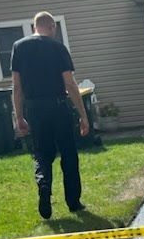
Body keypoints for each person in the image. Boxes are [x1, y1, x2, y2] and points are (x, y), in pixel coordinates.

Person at [11, 11, 90, 219]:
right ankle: (73, 202)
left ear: (33, 27)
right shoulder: (58, 48)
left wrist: (19, 116)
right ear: (52, 27)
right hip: (58, 106)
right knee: (68, 154)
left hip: (34, 108)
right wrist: (83, 115)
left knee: (41, 153)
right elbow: (70, 84)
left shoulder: (19, 47)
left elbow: (16, 87)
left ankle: (44, 186)